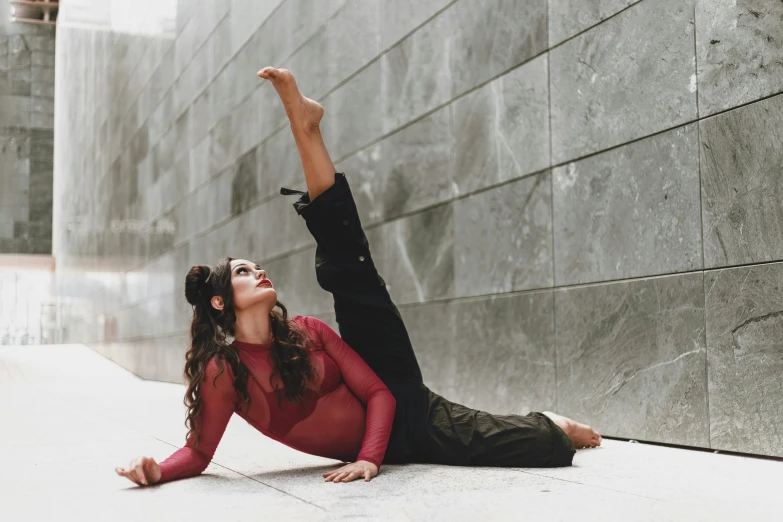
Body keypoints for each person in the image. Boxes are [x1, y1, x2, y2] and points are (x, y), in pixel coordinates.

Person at [115, 67, 601, 487]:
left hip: (398, 394)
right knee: (538, 443)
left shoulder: (307, 331)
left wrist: (368, 459)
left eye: (255, 265)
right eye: (242, 271)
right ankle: (552, 424)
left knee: (348, 271)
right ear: (219, 302)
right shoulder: (225, 372)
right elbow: (199, 453)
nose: (258, 270)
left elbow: (379, 393)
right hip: (411, 437)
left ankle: (305, 127)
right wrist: (155, 469)